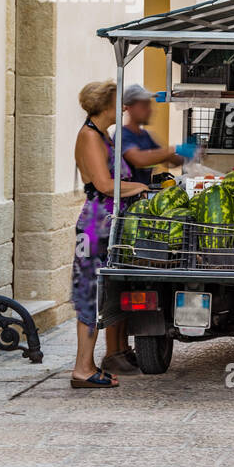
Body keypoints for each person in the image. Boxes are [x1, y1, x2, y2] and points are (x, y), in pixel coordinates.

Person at [72, 81, 147, 387]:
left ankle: (91, 364)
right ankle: (82, 369)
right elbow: (104, 184)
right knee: (89, 294)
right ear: (105, 106)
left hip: (109, 225)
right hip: (94, 227)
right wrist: (140, 187)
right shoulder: (89, 136)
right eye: (119, 101)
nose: (124, 106)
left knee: (102, 295)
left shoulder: (104, 135)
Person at [119, 84, 184, 185]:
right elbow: (139, 159)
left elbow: (170, 160)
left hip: (143, 195)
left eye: (149, 105)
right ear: (129, 108)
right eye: (144, 106)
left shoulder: (145, 136)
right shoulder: (123, 135)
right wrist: (174, 149)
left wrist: (186, 154)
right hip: (127, 197)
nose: (150, 110)